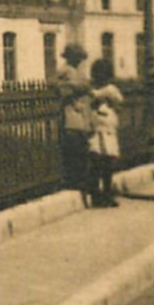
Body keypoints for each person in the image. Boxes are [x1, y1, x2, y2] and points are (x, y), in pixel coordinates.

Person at [56, 43, 94, 202]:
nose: (79, 61)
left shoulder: (76, 72)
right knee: (75, 152)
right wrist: (81, 87)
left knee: (81, 152)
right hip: (71, 118)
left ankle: (80, 182)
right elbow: (63, 89)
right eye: (77, 58)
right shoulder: (66, 72)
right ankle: (75, 182)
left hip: (80, 118)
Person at [88, 59, 124, 208]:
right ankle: (97, 194)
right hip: (97, 129)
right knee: (97, 161)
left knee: (108, 163)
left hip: (108, 129)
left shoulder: (111, 89)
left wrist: (109, 101)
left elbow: (119, 102)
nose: (100, 77)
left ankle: (107, 193)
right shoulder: (93, 90)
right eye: (98, 74)